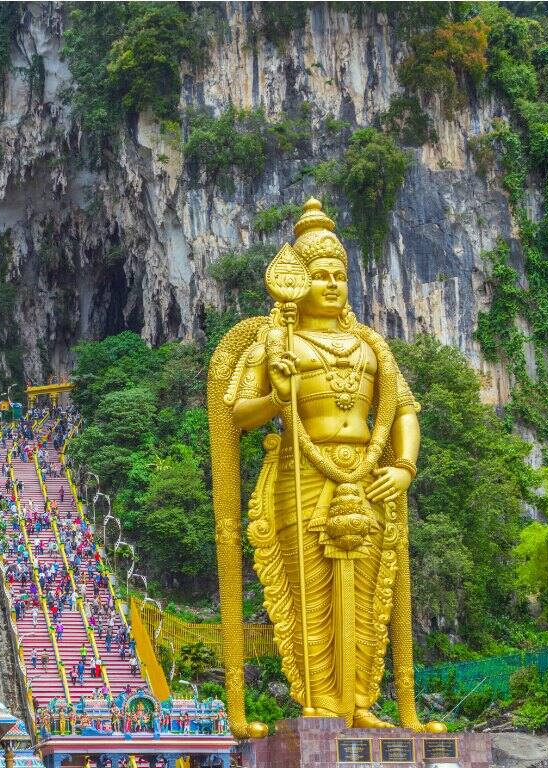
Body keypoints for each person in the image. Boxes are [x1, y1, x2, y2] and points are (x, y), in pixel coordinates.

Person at [210, 198, 443, 734]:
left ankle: (362, 702)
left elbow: (403, 408)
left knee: (370, 594)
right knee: (307, 592)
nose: (333, 284)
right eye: (320, 275)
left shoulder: (371, 345)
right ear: (297, 283)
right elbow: (236, 413)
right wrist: (276, 396)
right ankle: (318, 702)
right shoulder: (276, 341)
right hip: (302, 473)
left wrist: (404, 465)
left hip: (367, 475)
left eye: (341, 274)